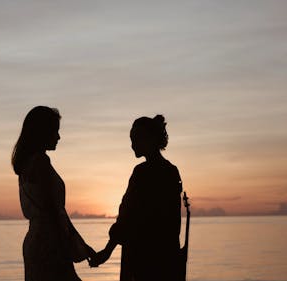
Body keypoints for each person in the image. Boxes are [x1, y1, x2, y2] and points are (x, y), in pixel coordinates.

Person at [89, 115, 183, 281]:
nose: (132, 145)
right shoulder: (171, 171)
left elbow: (127, 216)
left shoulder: (142, 173)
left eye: (136, 139)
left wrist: (107, 251)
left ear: (150, 139)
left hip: (143, 259)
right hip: (167, 260)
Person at [12, 106, 95, 281]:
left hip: (36, 239)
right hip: (50, 242)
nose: (58, 137)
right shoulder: (40, 162)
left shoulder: (26, 164)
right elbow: (54, 211)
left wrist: (81, 245)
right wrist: (74, 245)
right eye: (55, 131)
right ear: (43, 132)